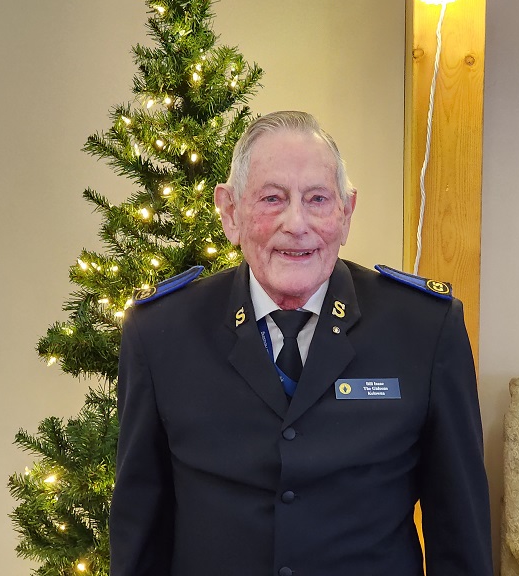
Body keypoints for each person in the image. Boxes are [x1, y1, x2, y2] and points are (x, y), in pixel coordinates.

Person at [110, 111, 493, 576]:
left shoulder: (425, 329)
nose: (298, 223)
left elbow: (460, 531)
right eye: (272, 199)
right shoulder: (161, 332)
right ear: (231, 212)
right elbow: (138, 527)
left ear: (346, 213)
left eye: (317, 199)